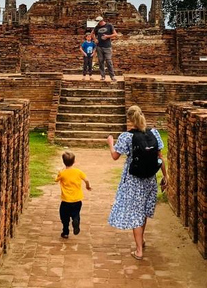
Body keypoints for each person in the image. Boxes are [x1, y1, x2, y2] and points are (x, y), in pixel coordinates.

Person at [107, 105, 168, 260]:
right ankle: (142, 239)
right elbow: (160, 157)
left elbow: (115, 156)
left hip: (134, 180)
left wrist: (110, 143)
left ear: (130, 119)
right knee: (143, 211)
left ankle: (139, 250)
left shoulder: (126, 137)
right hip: (150, 179)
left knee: (135, 213)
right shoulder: (154, 133)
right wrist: (165, 175)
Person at [54, 151, 92, 239]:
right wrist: (87, 186)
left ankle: (65, 232)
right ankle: (76, 220)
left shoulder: (62, 173)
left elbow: (56, 180)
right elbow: (86, 180)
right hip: (77, 200)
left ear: (63, 162)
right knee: (76, 213)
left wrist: (59, 172)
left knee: (64, 217)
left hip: (66, 200)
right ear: (74, 161)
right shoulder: (78, 172)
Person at [92, 15, 118, 81]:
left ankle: (112, 76)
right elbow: (92, 34)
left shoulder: (109, 26)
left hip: (107, 46)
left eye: (98, 22)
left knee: (109, 61)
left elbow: (115, 34)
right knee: (101, 62)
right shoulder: (97, 27)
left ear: (101, 21)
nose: (98, 23)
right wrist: (95, 40)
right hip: (99, 46)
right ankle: (102, 76)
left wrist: (107, 36)